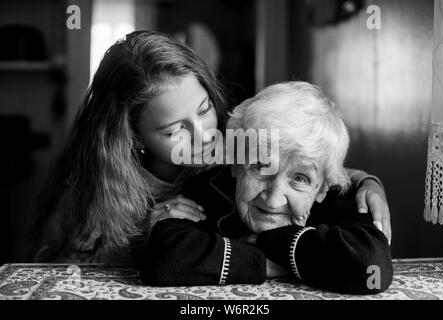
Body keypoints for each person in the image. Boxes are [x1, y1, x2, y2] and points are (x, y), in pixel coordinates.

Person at [29, 31, 389, 265]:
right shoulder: (100, 197)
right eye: (174, 131)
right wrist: (146, 239)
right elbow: (71, 279)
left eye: (203, 111)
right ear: (134, 136)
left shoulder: (228, 147)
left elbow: (302, 160)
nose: (202, 135)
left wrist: (365, 181)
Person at [141, 82, 392, 294]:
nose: (273, 200)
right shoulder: (208, 188)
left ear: (323, 188)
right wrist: (266, 263)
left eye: (300, 179)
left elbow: (373, 269)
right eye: (260, 166)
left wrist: (265, 241)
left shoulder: (341, 197)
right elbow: (163, 261)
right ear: (236, 164)